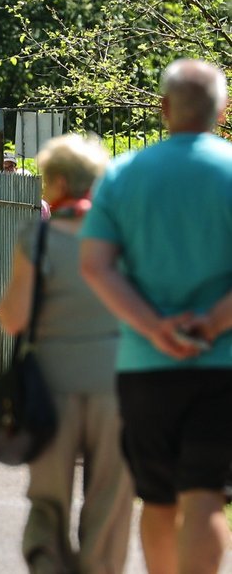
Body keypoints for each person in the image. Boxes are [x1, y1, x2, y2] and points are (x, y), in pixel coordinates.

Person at [80, 58, 232, 574]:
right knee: (207, 496)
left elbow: (96, 267)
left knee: (158, 499)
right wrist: (210, 324)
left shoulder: (123, 175)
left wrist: (153, 327)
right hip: (222, 363)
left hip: (145, 365)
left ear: (163, 108)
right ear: (223, 108)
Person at [0, 134, 132, 573]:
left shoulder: (37, 238)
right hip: (115, 382)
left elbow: (13, 318)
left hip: (51, 385)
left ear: (55, 182)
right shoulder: (124, 238)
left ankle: (49, 561)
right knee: (110, 493)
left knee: (49, 492)